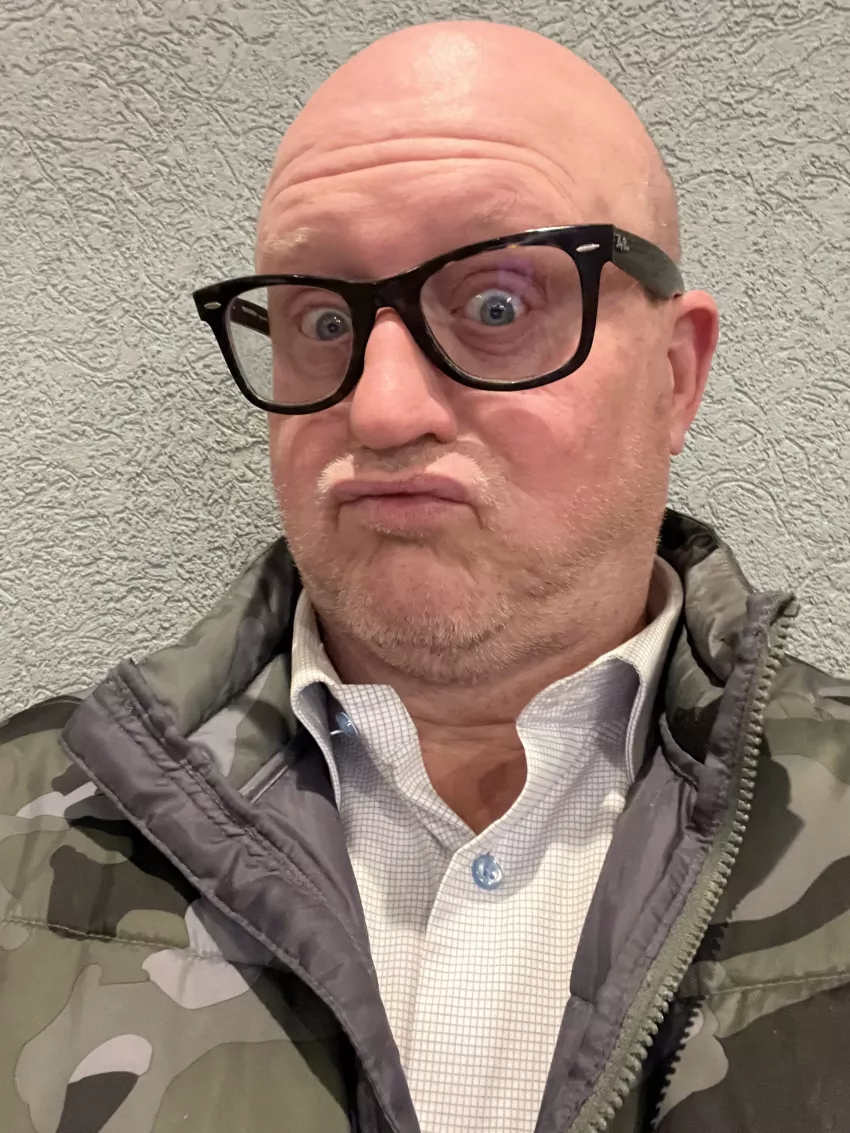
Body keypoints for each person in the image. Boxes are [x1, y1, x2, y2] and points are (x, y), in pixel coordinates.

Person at [1, 18, 847, 1133]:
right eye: (319, 318)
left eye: (499, 304)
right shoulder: (31, 832)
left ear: (675, 377)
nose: (383, 409)